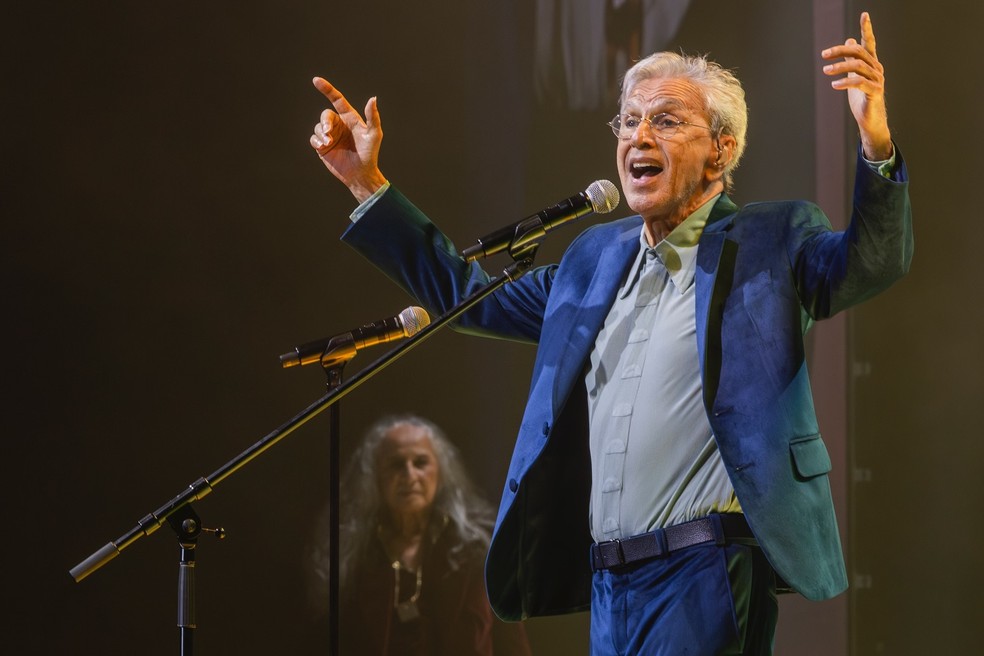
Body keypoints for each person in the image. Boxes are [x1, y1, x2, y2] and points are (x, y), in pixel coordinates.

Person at [308, 12, 912, 655]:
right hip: (607, 582)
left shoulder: (771, 240)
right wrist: (365, 183)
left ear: (722, 150)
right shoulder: (592, 261)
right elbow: (468, 298)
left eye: (665, 121)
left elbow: (870, 262)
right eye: (628, 121)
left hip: (704, 570)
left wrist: (875, 140)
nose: (637, 137)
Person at [310, 415, 532, 655]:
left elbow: (513, 646)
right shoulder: (352, 559)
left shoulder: (480, 551)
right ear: (374, 477)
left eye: (420, 462)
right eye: (396, 464)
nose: (409, 475)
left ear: (441, 471)